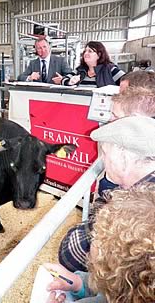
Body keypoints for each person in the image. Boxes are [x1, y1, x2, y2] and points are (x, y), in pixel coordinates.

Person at [58, 116, 155, 272]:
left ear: (124, 158)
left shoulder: (138, 207)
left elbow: (70, 253)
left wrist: (106, 207)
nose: (102, 159)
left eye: (104, 153)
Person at [45, 184, 155, 303]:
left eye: (96, 235)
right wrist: (78, 282)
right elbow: (106, 288)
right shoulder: (128, 287)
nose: (91, 237)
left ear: (110, 263)